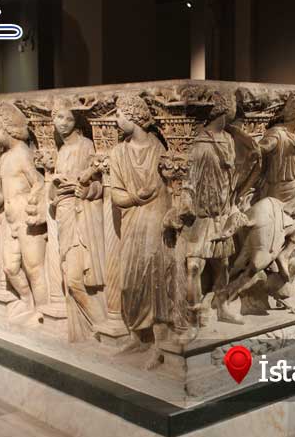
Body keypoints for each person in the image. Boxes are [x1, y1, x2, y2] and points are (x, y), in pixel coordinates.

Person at [107, 94, 170, 350]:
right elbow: (116, 195)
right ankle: (137, 337)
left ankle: (158, 343)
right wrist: (134, 197)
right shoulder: (118, 153)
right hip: (132, 223)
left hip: (156, 219)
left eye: (119, 114)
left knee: (154, 278)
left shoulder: (159, 149)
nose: (116, 120)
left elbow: (165, 189)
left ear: (133, 115)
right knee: (129, 282)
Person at [182, 92, 243, 325]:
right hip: (201, 216)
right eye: (233, 106)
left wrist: (233, 206)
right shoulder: (199, 143)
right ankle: (193, 313)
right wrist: (186, 204)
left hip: (222, 213)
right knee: (193, 266)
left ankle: (222, 306)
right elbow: (190, 180)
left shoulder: (228, 139)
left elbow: (231, 177)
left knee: (223, 264)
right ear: (226, 109)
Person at [49, 100, 107, 341]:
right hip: (63, 216)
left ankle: (102, 324)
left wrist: (86, 190)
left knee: (76, 278)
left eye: (69, 118)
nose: (63, 123)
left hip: (81, 218)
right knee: (68, 276)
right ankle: (91, 329)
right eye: (59, 117)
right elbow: (53, 192)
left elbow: (102, 184)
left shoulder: (86, 146)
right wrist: (55, 189)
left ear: (77, 121)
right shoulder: (61, 150)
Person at [0, 102, 48, 318]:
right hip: (10, 220)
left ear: (8, 129)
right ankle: (27, 301)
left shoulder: (23, 154)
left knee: (34, 268)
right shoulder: (5, 157)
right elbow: (0, 190)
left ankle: (42, 311)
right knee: (10, 267)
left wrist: (33, 200)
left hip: (26, 218)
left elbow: (39, 181)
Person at [256, 96, 295, 275]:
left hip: (291, 183)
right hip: (284, 186)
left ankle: (277, 249)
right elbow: (263, 147)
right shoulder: (277, 133)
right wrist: (259, 148)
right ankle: (286, 253)